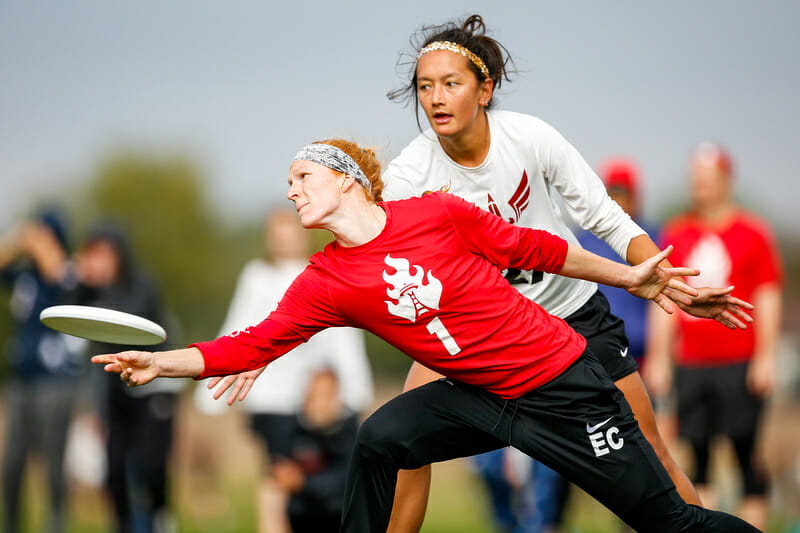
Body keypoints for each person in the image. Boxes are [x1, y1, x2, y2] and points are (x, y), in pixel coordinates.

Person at [92, 139, 761, 532]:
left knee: (671, 521)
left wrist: (630, 275)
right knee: (381, 437)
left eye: (302, 177)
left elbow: (538, 245)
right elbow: (248, 342)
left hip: (562, 385)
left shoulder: (435, 214)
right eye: (287, 184)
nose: (292, 192)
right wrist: (160, 364)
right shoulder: (326, 278)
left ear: (346, 178)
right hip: (474, 393)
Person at [378, 14, 754, 532]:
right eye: (425, 86)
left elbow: (605, 217)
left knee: (654, 460)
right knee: (396, 440)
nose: (436, 97)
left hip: (571, 320)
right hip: (479, 334)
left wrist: (672, 283)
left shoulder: (529, 138)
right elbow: (387, 259)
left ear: (484, 89)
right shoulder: (408, 175)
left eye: (451, 83)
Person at [193, 207, 374, 532]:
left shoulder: (323, 271)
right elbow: (237, 328)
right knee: (277, 478)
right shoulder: (256, 277)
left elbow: (342, 334)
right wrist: (210, 392)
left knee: (321, 476)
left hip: (314, 401)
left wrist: (353, 388)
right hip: (270, 401)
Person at [644, 143, 783, 531]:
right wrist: (659, 357)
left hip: (739, 359)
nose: (700, 189)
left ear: (725, 182)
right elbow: (668, 298)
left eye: (707, 182)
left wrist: (766, 356)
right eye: (695, 182)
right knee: (698, 453)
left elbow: (768, 296)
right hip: (692, 362)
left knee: (744, 450)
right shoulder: (678, 232)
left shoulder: (753, 233)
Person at [72, 223, 182, 533]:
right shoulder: (87, 289)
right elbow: (69, 317)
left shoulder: (142, 283)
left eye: (103, 254)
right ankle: (123, 525)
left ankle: (160, 518)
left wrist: (99, 288)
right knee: (114, 468)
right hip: (114, 385)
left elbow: (130, 326)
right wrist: (80, 282)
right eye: (91, 255)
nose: (98, 262)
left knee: (151, 464)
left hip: (155, 385)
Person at [0, 208, 82, 533]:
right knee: (12, 464)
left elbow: (57, 270)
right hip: (22, 380)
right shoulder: (25, 277)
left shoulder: (68, 272)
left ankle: (56, 526)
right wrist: (17, 239)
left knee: (53, 463)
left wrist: (41, 244)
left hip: (57, 382)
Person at [272, 367, 359, 533]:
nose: (321, 403)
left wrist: (303, 484)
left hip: (336, 513)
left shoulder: (348, 430)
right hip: (301, 514)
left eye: (327, 395)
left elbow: (347, 478)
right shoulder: (296, 427)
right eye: (316, 395)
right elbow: (281, 463)